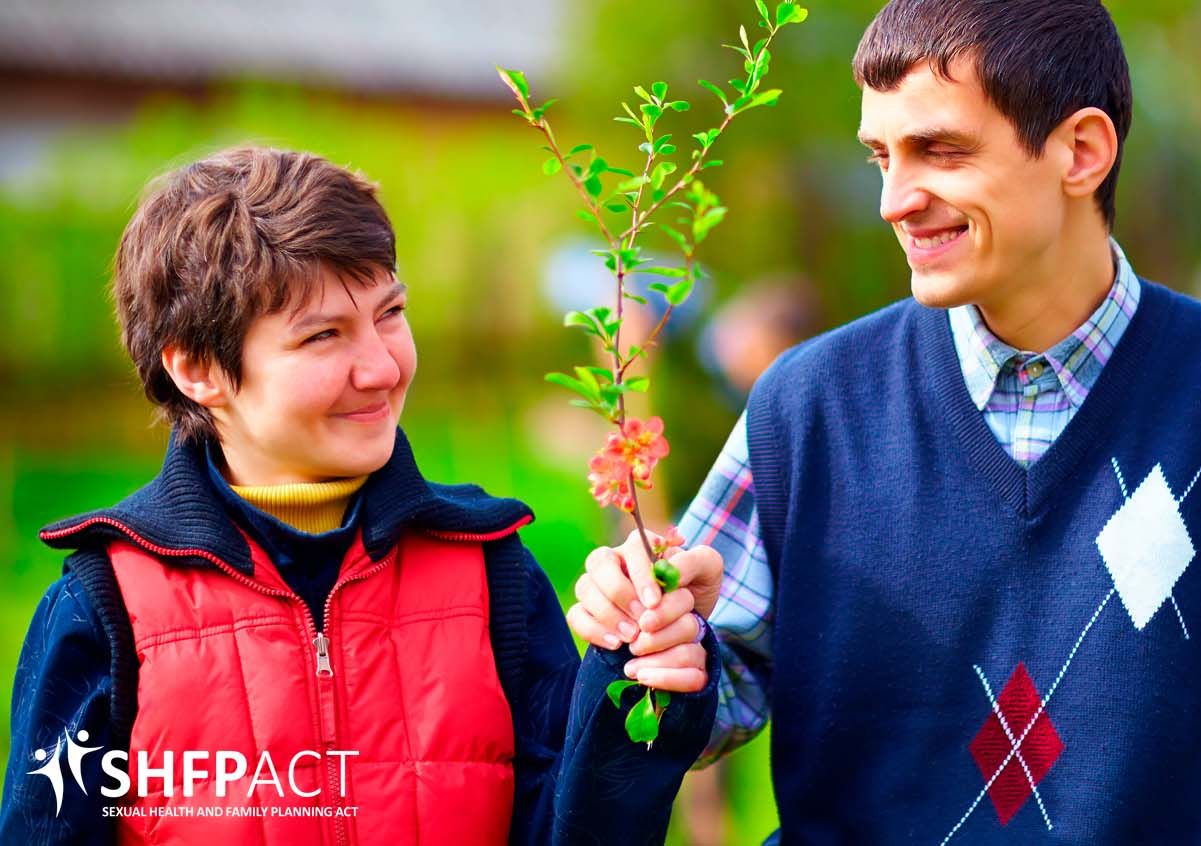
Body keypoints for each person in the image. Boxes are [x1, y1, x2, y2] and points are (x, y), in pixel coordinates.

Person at [566, 1, 1201, 842]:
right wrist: (655, 643)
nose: (894, 201)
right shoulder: (805, 406)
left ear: (1081, 151)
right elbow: (708, 702)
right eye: (881, 158)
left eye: (940, 151)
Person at [0, 145, 721, 845]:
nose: (380, 367)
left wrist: (638, 670)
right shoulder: (106, 603)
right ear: (197, 370)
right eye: (322, 336)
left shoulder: (491, 569)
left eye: (390, 314)